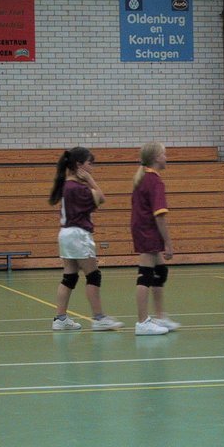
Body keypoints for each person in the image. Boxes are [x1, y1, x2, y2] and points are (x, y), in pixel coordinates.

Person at [48, 147, 124, 331]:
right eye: (90, 163)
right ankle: (99, 318)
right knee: (93, 275)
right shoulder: (78, 188)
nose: (92, 167)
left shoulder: (66, 185)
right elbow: (101, 198)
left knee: (69, 276)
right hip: (78, 235)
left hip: (65, 234)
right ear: (79, 165)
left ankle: (60, 318)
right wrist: (91, 180)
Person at [131, 142, 179, 335]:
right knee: (146, 275)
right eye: (164, 154)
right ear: (156, 158)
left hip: (144, 229)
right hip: (148, 230)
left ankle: (159, 316)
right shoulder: (154, 181)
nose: (166, 158)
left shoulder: (145, 177)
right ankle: (142, 322)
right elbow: (159, 216)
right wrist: (168, 243)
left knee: (160, 271)